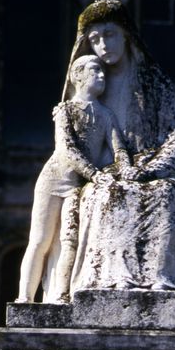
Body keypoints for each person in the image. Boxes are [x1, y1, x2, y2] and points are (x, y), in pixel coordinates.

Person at [44, 0, 175, 297]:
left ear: (126, 33)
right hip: (104, 176)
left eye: (110, 34)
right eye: (95, 39)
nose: (103, 45)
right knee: (105, 198)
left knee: (168, 196)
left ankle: (161, 283)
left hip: (154, 172)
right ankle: (110, 283)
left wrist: (148, 170)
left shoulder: (155, 83)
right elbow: (73, 146)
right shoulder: (87, 90)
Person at [16, 54, 130, 303]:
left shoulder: (106, 115)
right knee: (40, 241)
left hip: (78, 186)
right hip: (54, 180)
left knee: (69, 240)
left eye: (102, 71)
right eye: (94, 70)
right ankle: (24, 299)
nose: (101, 76)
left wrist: (127, 168)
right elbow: (67, 149)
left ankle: (61, 295)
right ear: (77, 76)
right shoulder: (66, 110)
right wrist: (94, 174)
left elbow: (118, 148)